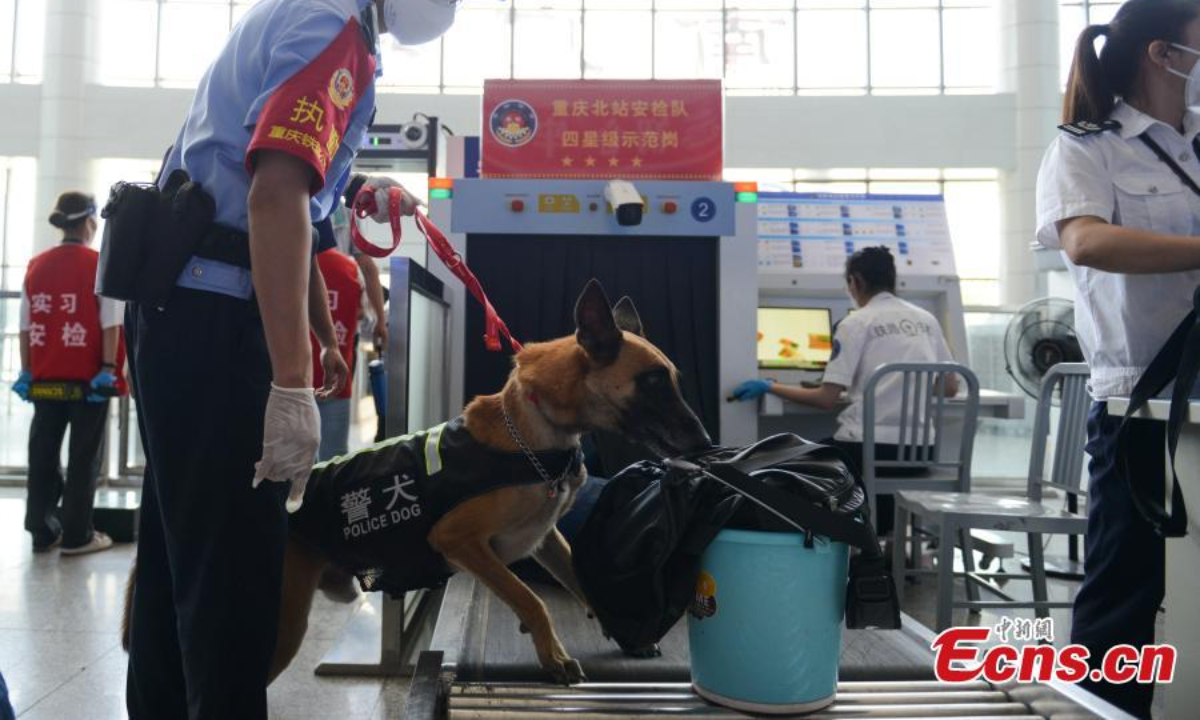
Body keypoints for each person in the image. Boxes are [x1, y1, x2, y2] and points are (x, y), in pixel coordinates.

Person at [121, 0, 454, 717]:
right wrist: (291, 383)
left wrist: (321, 337)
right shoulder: (334, 30)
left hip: (179, 314)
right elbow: (274, 197)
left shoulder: (295, 14)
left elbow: (286, 197)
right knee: (237, 585)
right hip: (217, 323)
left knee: (179, 565)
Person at [1035, 1, 1200, 715]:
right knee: (1124, 590)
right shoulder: (1089, 146)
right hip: (1140, 401)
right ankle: (1102, 707)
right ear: (1163, 54)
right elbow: (1088, 243)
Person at [729, 246, 958, 533]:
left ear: (856, 281)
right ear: (892, 278)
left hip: (868, 450)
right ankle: (884, 544)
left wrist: (771, 386)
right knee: (865, 470)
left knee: (789, 461)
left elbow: (825, 399)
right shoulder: (927, 320)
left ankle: (826, 545)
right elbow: (950, 387)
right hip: (919, 453)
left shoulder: (856, 322)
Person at [14, 192, 124, 556]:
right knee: (83, 458)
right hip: (88, 381)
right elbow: (110, 322)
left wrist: (28, 372)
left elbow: (27, 327)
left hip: (45, 380)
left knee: (42, 455)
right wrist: (108, 370)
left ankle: (42, 531)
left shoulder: (36, 266)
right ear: (91, 221)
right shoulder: (97, 263)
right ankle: (78, 535)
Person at [311, 244, 367, 460]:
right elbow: (361, 312)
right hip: (336, 379)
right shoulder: (350, 267)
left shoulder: (289, 257)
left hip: (292, 378)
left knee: (292, 464)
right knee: (334, 462)